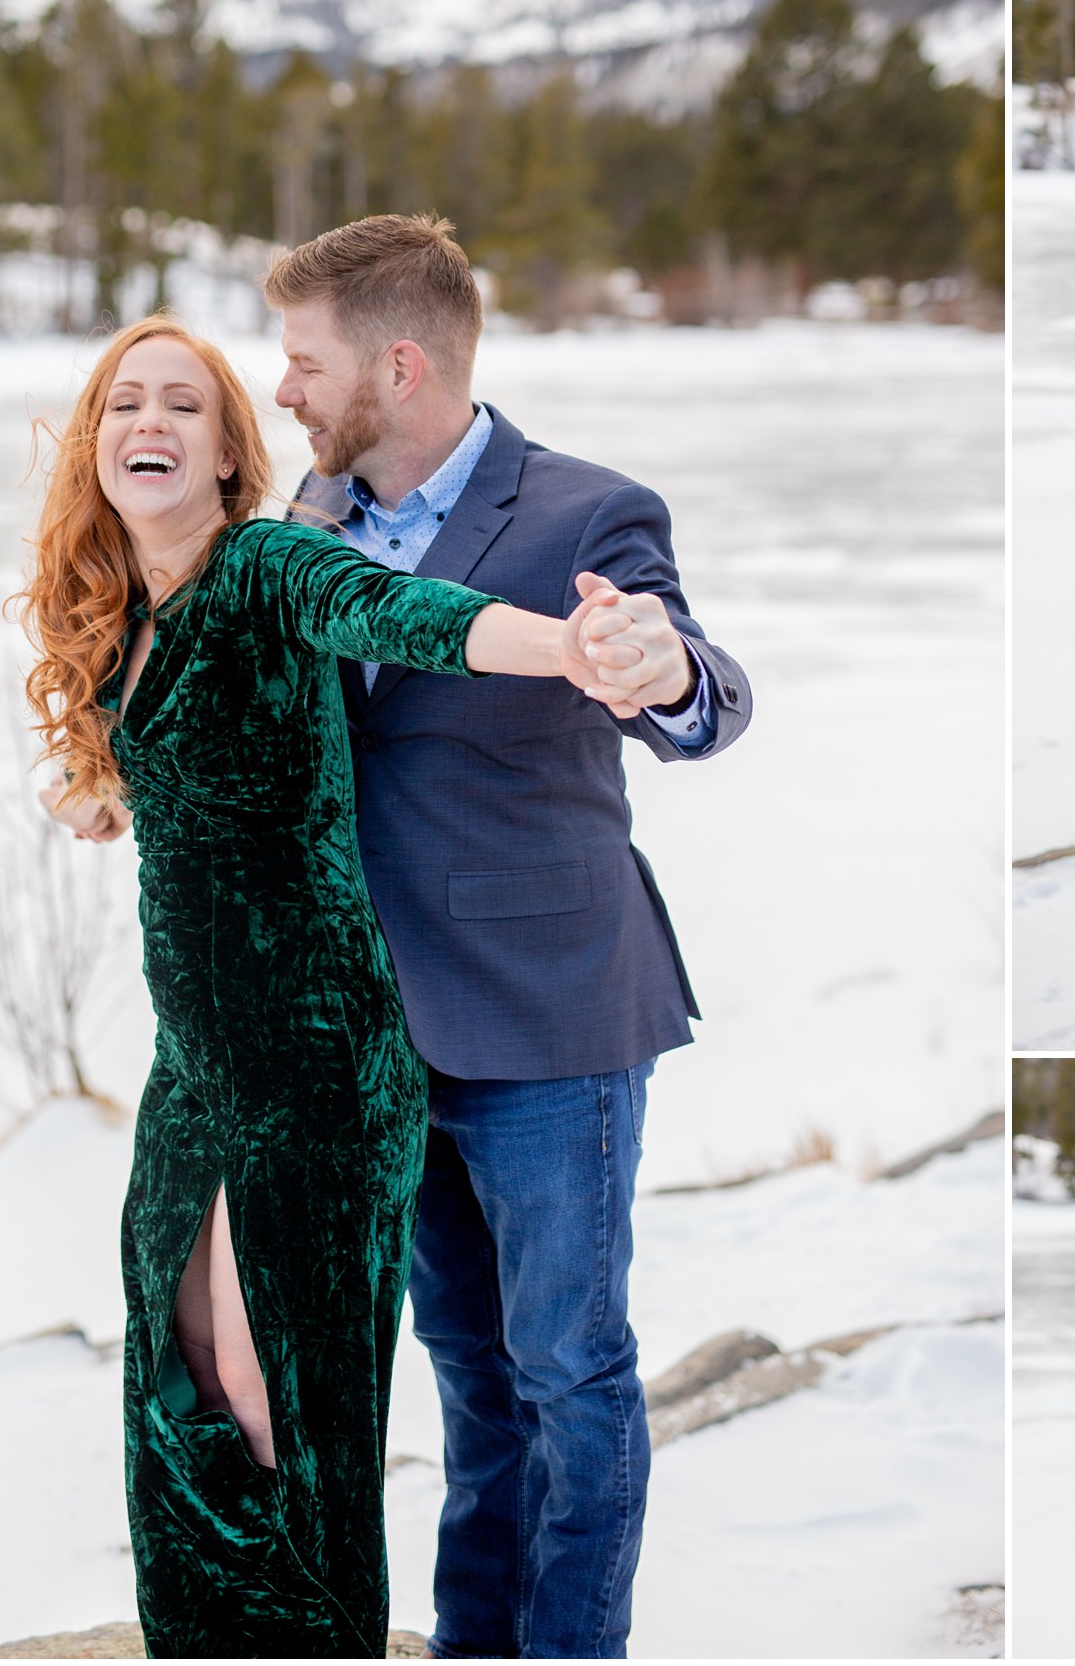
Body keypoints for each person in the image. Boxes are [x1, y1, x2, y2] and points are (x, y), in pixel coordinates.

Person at [19, 315, 639, 1657]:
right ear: (96, 441)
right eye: (127, 403)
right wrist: (102, 783)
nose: (152, 425)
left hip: (318, 1064)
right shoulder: (128, 604)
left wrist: (568, 649)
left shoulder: (268, 562)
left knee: (270, 1394)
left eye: (185, 405)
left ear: (230, 456)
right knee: (179, 1381)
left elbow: (405, 612)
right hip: (198, 1070)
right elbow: (185, 760)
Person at [268, 214, 751, 1659]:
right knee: (468, 1375)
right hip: (382, 1038)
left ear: (397, 364)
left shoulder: (585, 512)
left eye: (302, 362)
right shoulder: (306, 521)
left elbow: (697, 684)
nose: (282, 391)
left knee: (570, 1370)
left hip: (551, 1014)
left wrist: (662, 668)